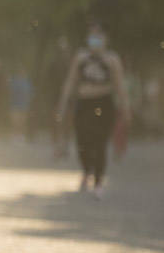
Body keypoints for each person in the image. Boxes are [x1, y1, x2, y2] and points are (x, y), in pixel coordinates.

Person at [54, 22, 129, 197]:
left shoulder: (111, 60)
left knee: (100, 141)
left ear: (105, 39)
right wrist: (62, 104)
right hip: (84, 102)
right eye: (92, 35)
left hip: (104, 102)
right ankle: (86, 170)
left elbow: (120, 86)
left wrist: (126, 108)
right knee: (82, 139)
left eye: (98, 36)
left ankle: (98, 180)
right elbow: (70, 81)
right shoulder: (81, 58)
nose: (94, 39)